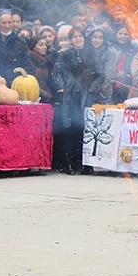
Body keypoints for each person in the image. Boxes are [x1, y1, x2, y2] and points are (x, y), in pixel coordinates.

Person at [54, 27, 88, 174]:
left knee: (81, 129)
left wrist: (91, 88)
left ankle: (80, 162)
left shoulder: (90, 54)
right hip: (69, 96)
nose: (78, 39)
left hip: (84, 96)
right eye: (75, 37)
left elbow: (99, 73)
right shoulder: (65, 55)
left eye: (80, 36)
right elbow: (57, 72)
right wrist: (61, 86)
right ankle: (68, 162)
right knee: (68, 129)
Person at [0, 10, 31, 88]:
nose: (7, 26)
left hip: (14, 86)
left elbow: (27, 66)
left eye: (9, 22)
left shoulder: (21, 43)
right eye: (4, 23)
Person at [84, 28, 119, 105]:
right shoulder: (86, 50)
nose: (97, 40)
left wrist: (97, 88)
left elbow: (109, 74)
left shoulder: (111, 52)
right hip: (87, 91)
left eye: (100, 38)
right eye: (94, 37)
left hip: (104, 91)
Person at [111, 24, 138, 104]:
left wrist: (126, 74)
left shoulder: (133, 51)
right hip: (111, 87)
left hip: (126, 87)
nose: (122, 36)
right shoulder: (110, 48)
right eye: (120, 33)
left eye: (125, 34)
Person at [28, 36, 54, 102]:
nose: (44, 47)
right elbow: (30, 83)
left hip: (44, 97)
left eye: (45, 45)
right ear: (33, 47)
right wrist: (46, 95)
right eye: (41, 45)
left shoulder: (46, 62)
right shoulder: (29, 62)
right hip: (33, 97)